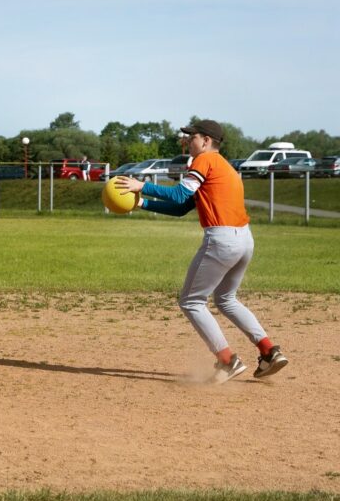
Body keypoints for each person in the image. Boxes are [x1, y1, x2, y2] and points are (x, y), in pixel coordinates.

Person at [115, 120, 287, 383]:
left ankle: (227, 360)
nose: (186, 141)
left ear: (206, 141)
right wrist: (142, 203)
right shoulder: (224, 167)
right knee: (226, 299)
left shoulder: (204, 161)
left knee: (191, 301)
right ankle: (268, 352)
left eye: (191, 136)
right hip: (244, 239)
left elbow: (177, 195)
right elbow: (182, 207)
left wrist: (142, 186)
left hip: (222, 240)